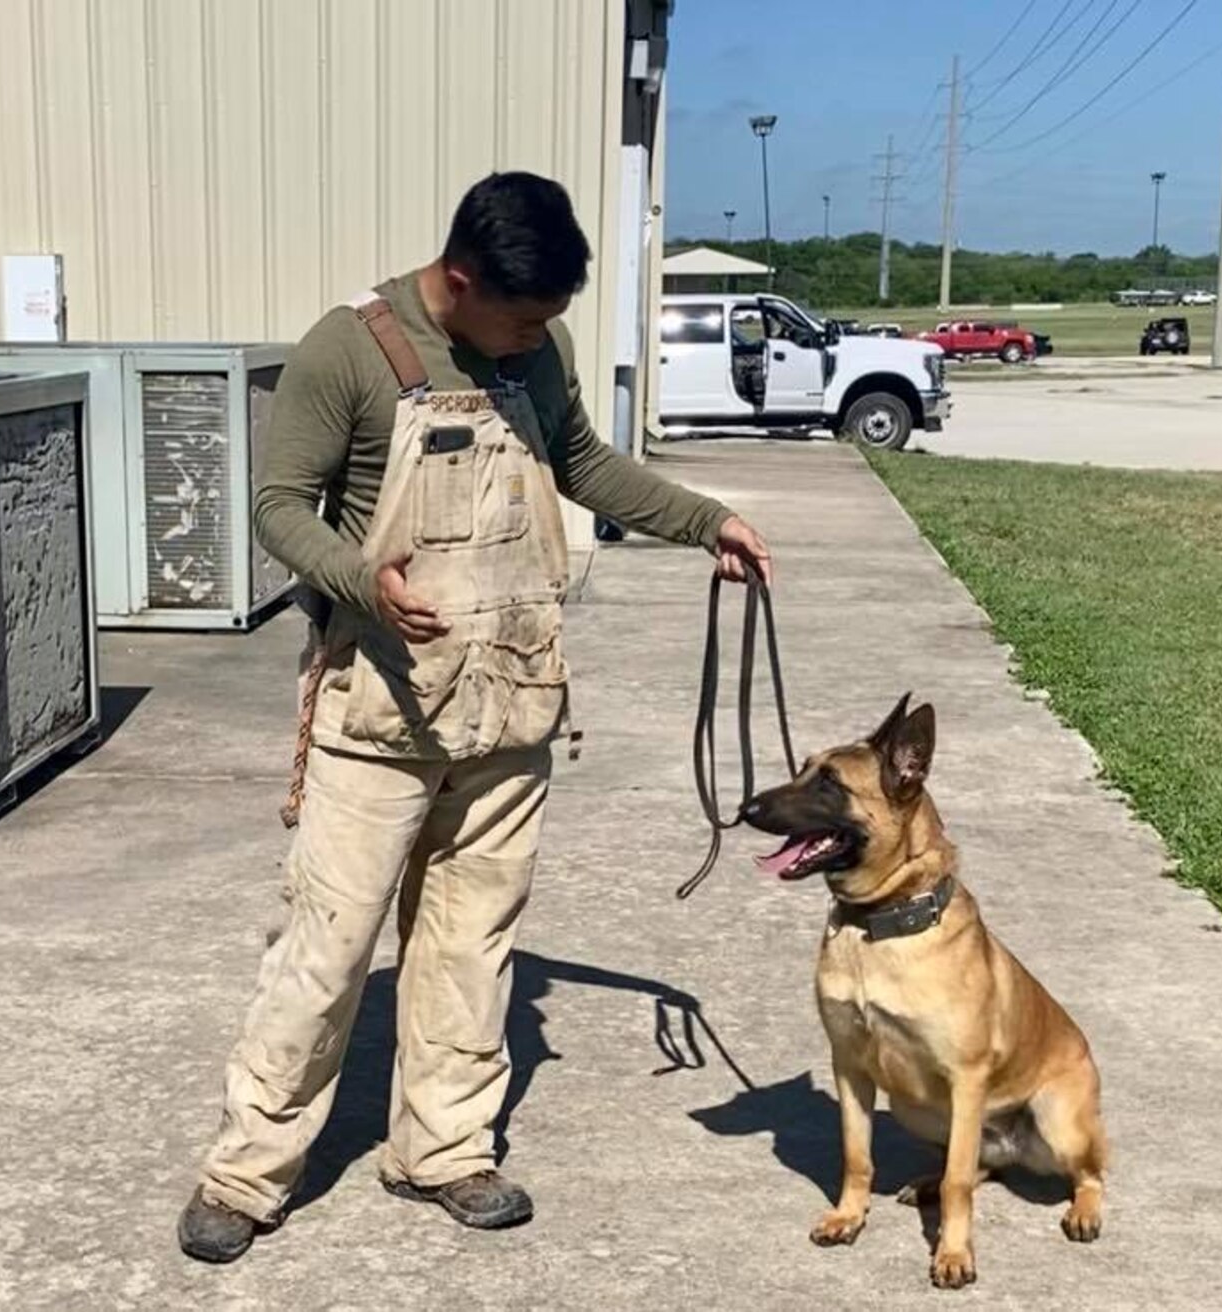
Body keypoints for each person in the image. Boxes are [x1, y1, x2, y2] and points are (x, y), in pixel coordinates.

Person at [178, 171, 772, 1263]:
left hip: (509, 709)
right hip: (378, 718)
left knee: (470, 946)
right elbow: (274, 507)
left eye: (550, 320)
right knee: (327, 952)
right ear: (459, 280)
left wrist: (706, 521)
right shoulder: (348, 350)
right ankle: (246, 1172)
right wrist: (360, 579)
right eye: (523, 317)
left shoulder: (534, 354)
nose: (536, 339)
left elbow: (579, 460)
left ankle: (444, 1150)